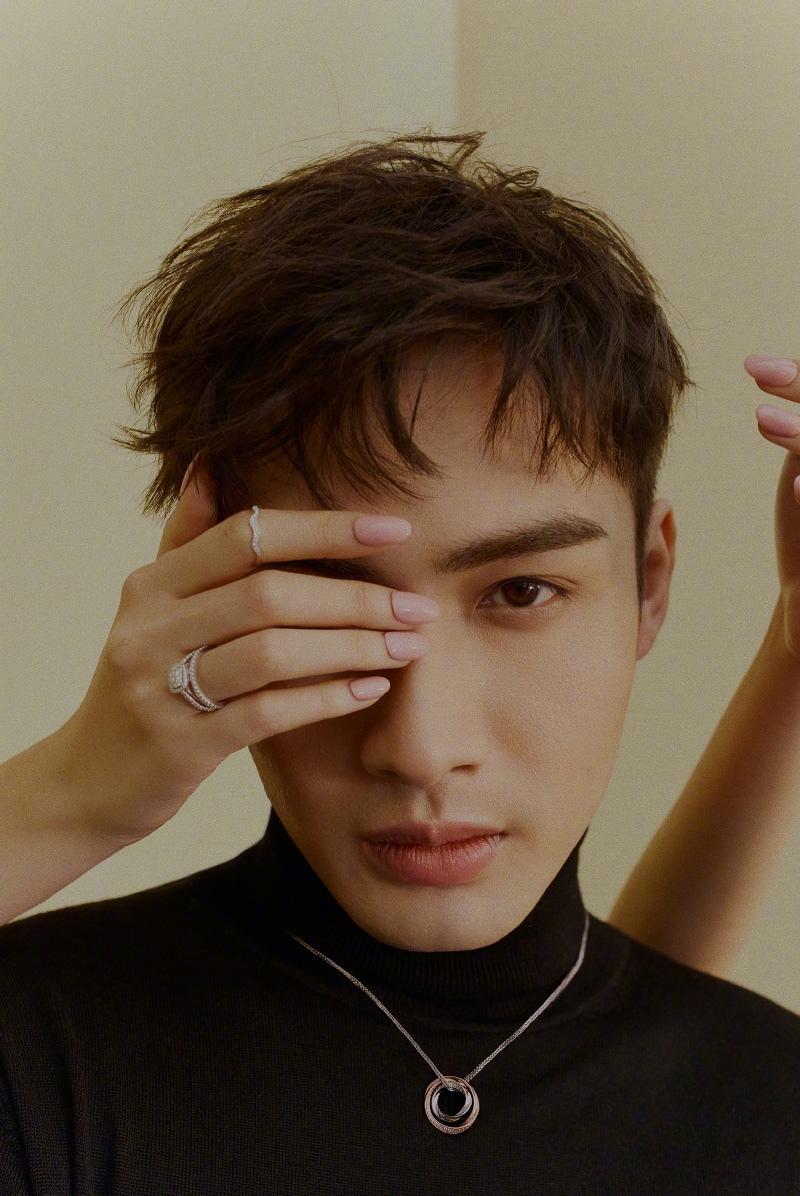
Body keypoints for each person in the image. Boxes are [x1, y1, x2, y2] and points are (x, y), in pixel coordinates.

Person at [0, 130, 798, 1194]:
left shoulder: (764, 1098)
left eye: (520, 592)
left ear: (650, 584)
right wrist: (76, 789)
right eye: (327, 599)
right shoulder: (37, 1053)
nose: (421, 748)